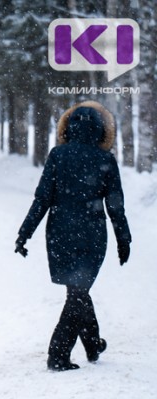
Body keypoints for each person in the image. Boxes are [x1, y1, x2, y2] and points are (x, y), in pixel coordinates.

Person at [15, 101, 131, 371]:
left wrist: (25, 233)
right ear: (102, 130)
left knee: (77, 291)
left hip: (60, 233)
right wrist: (123, 239)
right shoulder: (105, 160)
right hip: (91, 234)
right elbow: (115, 205)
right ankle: (57, 355)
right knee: (78, 292)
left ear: (68, 128)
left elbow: (42, 199)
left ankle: (92, 344)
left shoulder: (58, 155)